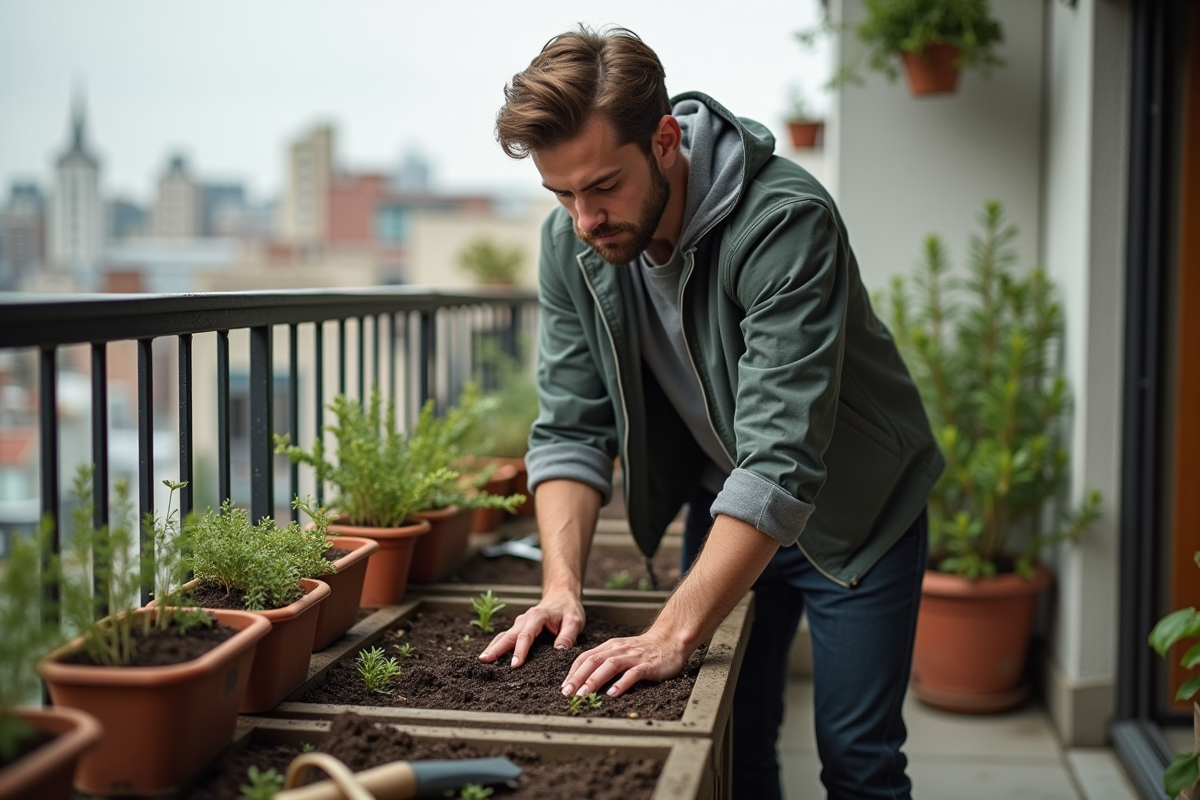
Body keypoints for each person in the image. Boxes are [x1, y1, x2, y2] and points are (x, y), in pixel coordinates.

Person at [477, 26, 945, 800]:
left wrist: (670, 632)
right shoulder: (573, 244)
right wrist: (561, 587)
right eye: (562, 194)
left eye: (601, 187)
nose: (585, 220)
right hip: (726, 506)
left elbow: (782, 459)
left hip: (857, 514)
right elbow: (570, 428)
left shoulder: (784, 221)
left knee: (858, 761)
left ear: (665, 140)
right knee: (739, 741)